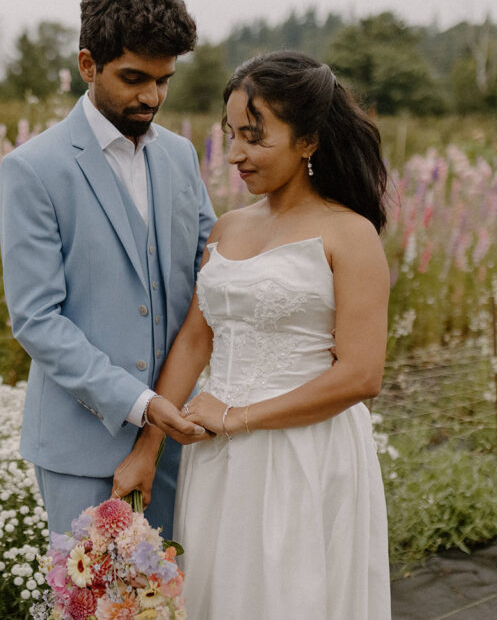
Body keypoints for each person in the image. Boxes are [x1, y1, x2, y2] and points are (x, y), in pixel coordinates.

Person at [159, 50, 392, 618]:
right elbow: (195, 339)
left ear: (308, 140)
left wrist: (237, 418)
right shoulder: (229, 226)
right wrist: (150, 441)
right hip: (216, 459)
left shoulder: (350, 233)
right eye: (231, 133)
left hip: (303, 453)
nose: (235, 154)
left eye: (254, 137)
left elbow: (361, 376)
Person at [0, 0, 216, 542]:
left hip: (177, 440)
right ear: (88, 65)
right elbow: (36, 320)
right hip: (80, 448)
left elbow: (210, 279)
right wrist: (139, 403)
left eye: (165, 80)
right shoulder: (34, 169)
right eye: (134, 77)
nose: (152, 96)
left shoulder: (181, 157)